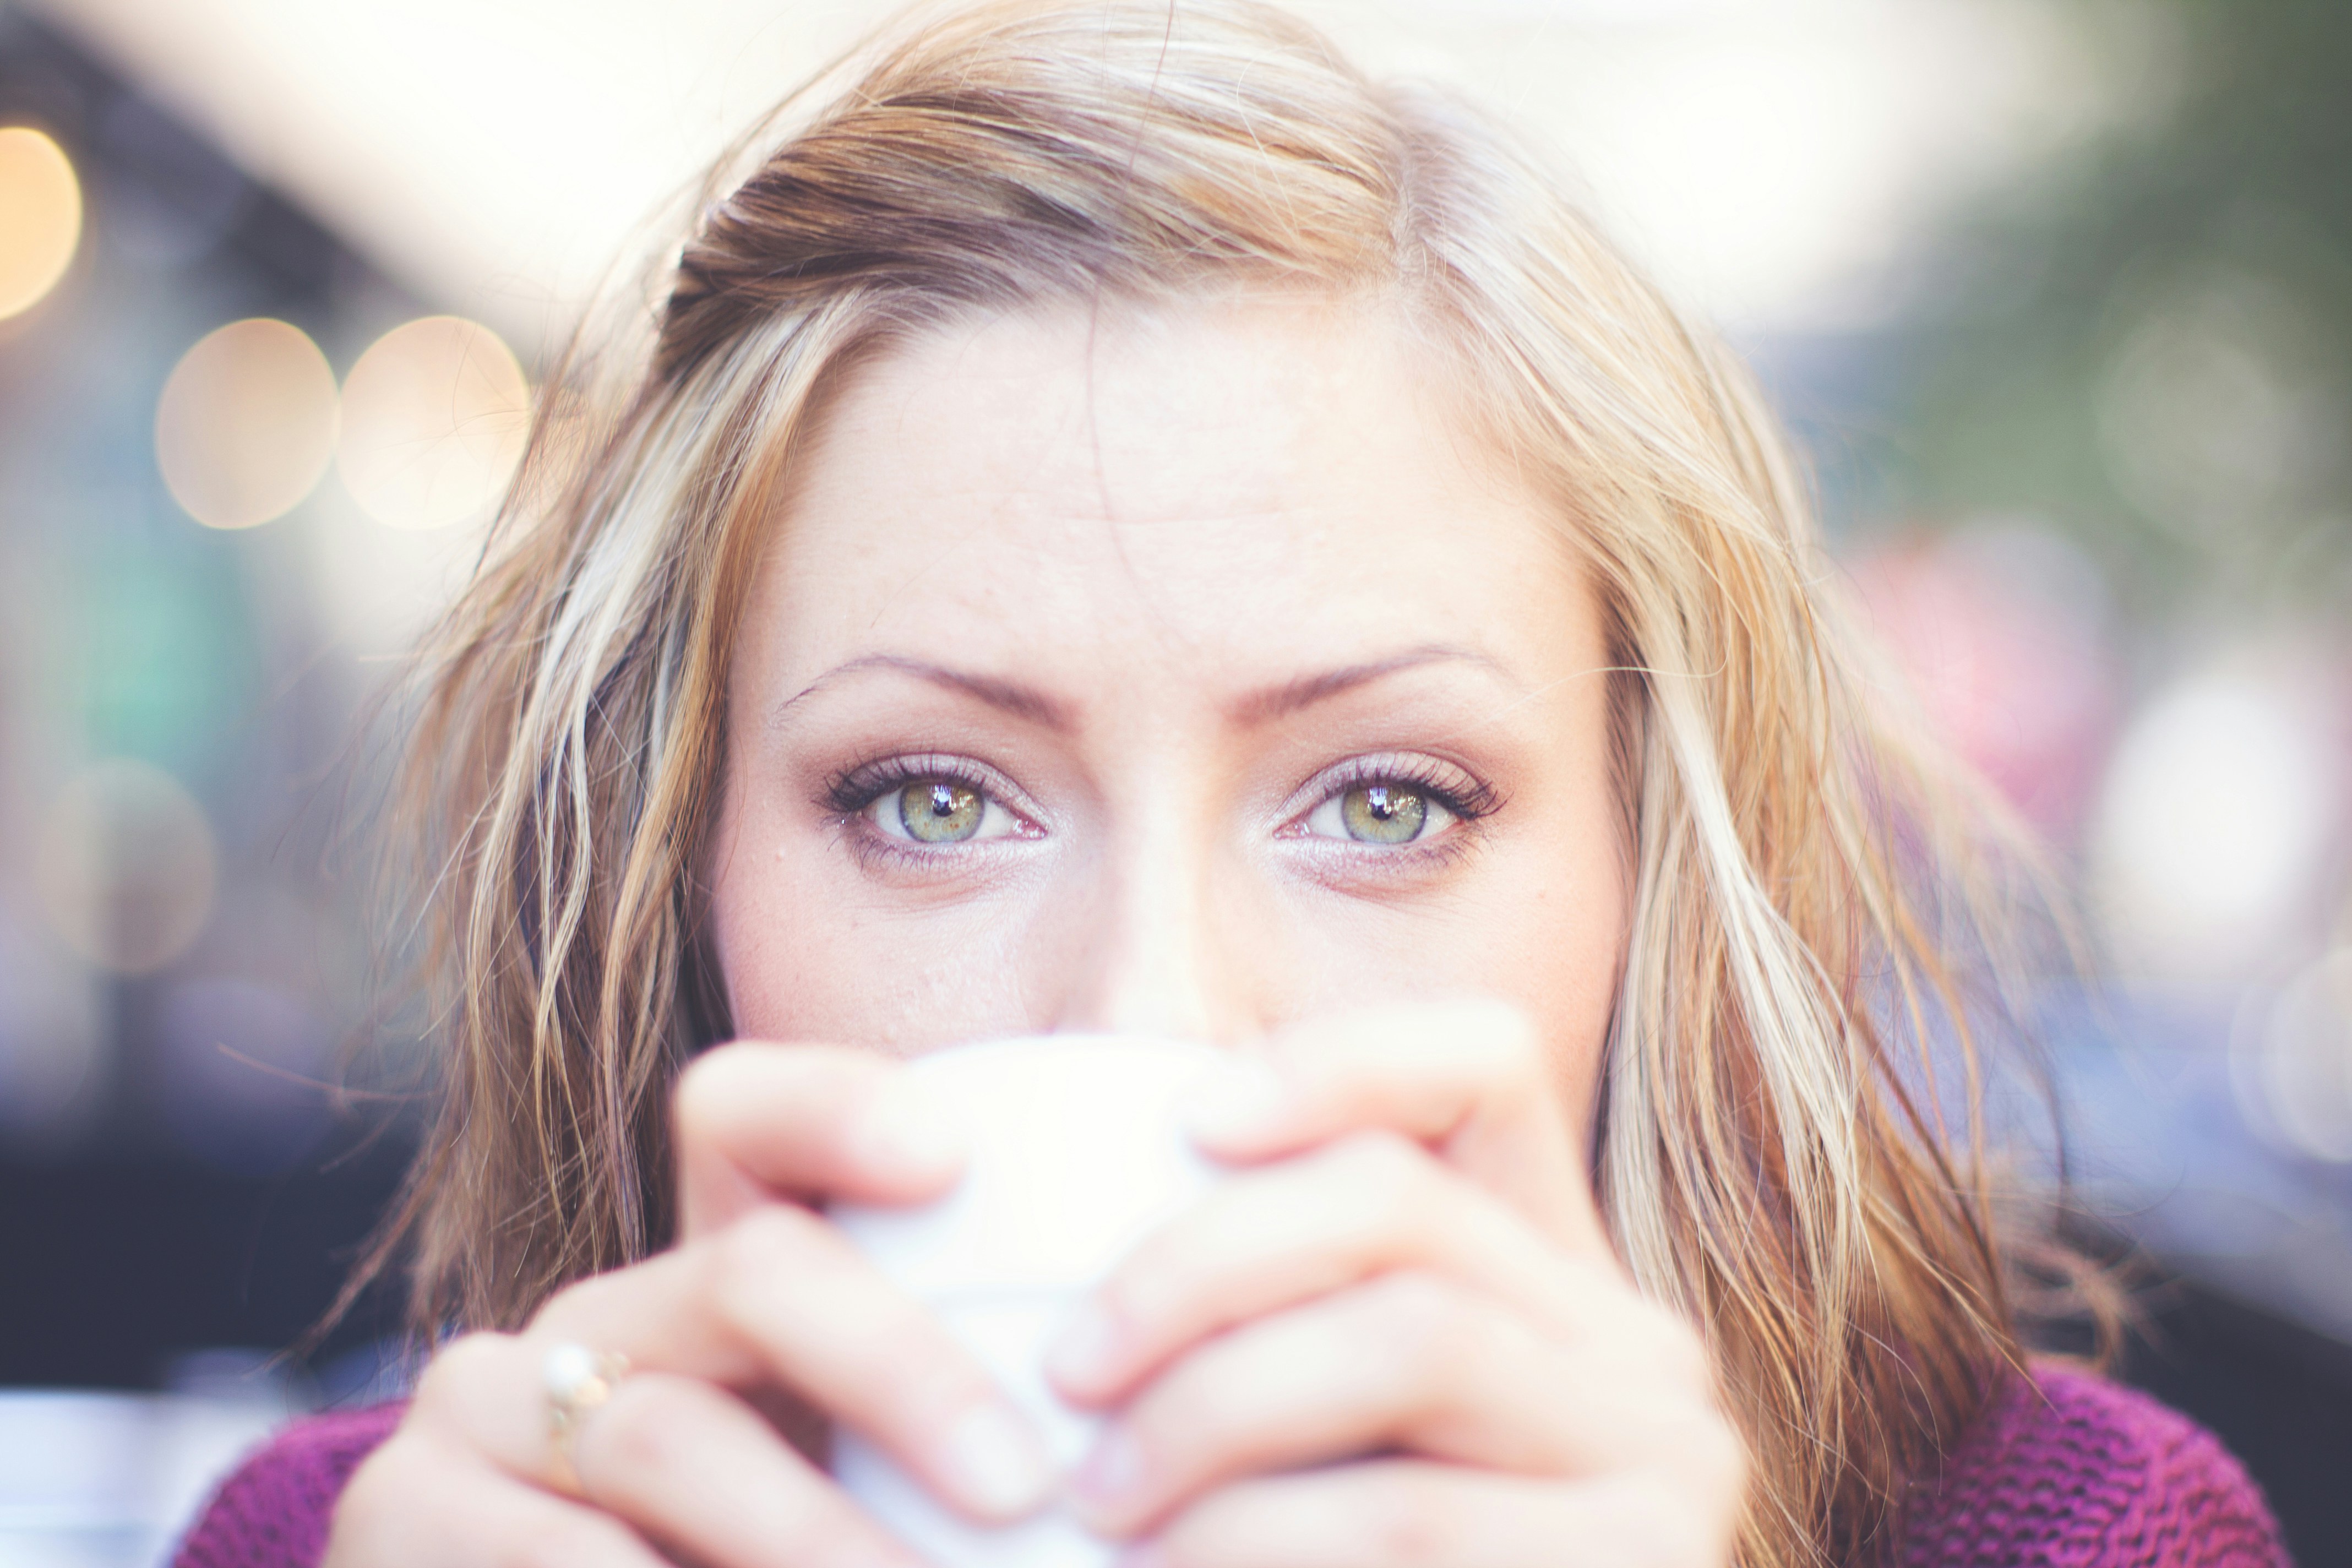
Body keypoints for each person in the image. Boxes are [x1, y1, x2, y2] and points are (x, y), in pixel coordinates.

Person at [176, 3, 2290, 1566]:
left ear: (1653, 871)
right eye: (930, 798)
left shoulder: (2067, 1534)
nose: (1156, 1016)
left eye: (1386, 804)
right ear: (669, 878)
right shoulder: (359, 1542)